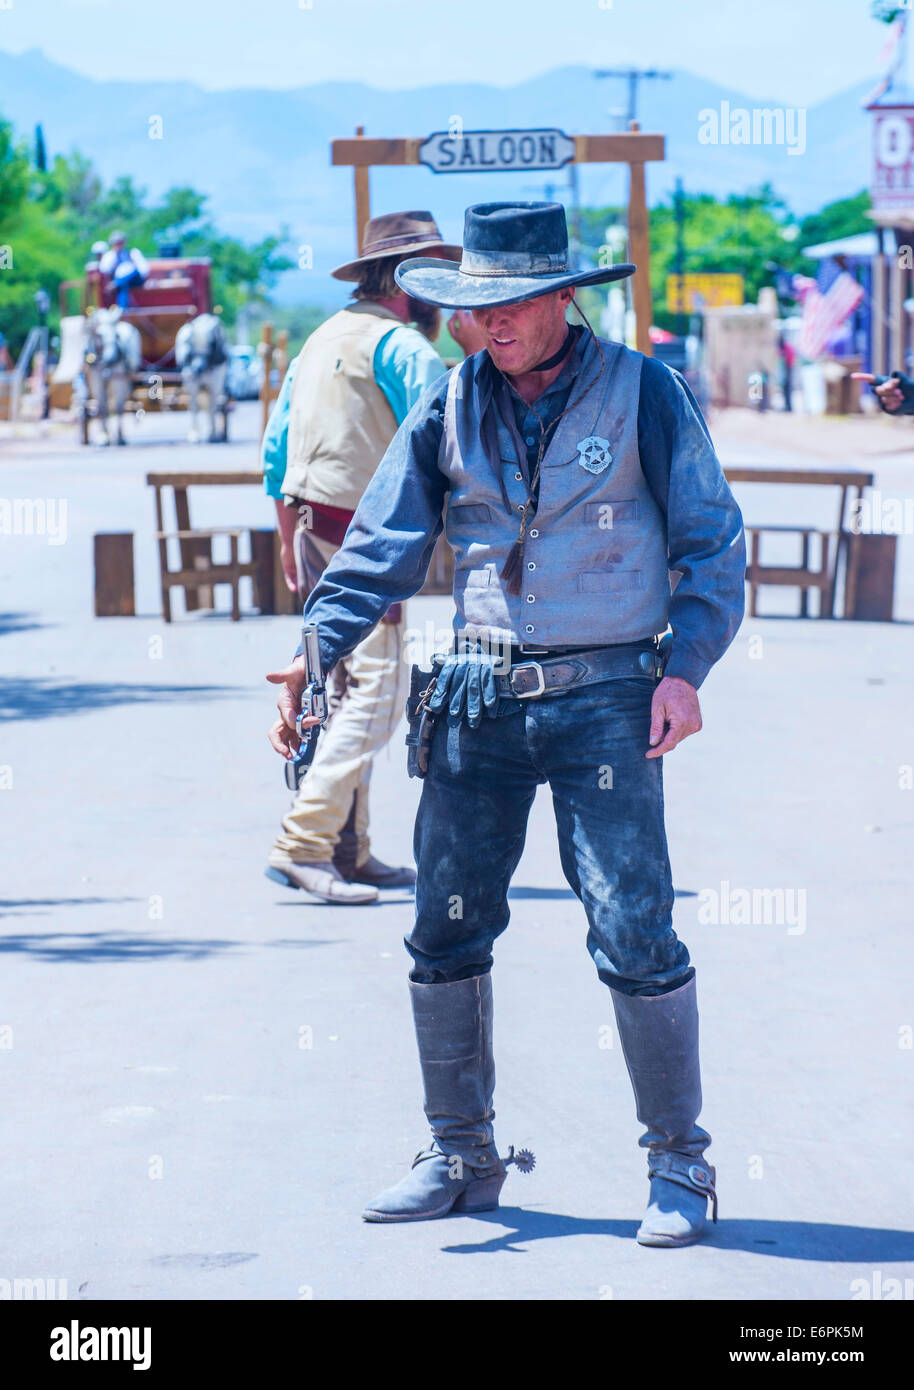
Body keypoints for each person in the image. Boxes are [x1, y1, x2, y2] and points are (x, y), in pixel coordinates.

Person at [267, 202, 746, 1246]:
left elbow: (710, 542)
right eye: (470, 308)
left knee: (631, 924)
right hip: (475, 691)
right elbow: (383, 545)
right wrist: (314, 649)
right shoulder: (444, 404)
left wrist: (687, 669)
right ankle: (460, 1151)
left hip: (609, 693)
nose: (488, 326)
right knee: (443, 924)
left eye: (509, 306)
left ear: (561, 297)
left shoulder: (644, 393)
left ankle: (679, 1164)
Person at [263, 210, 484, 905]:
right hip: (363, 538)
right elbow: (449, 446)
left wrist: (286, 544)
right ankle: (304, 842)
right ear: (405, 282)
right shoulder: (403, 348)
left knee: (345, 692)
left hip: (311, 525)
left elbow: (275, 453)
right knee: (379, 699)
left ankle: (349, 848)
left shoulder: (322, 337)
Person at [98, 231, 149, 309]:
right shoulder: (109, 256)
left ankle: (117, 284)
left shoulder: (133, 253)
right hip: (120, 282)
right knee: (123, 285)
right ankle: (123, 310)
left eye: (120, 242)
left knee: (132, 274)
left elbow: (144, 271)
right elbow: (104, 270)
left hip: (135, 280)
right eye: (116, 243)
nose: (119, 245)